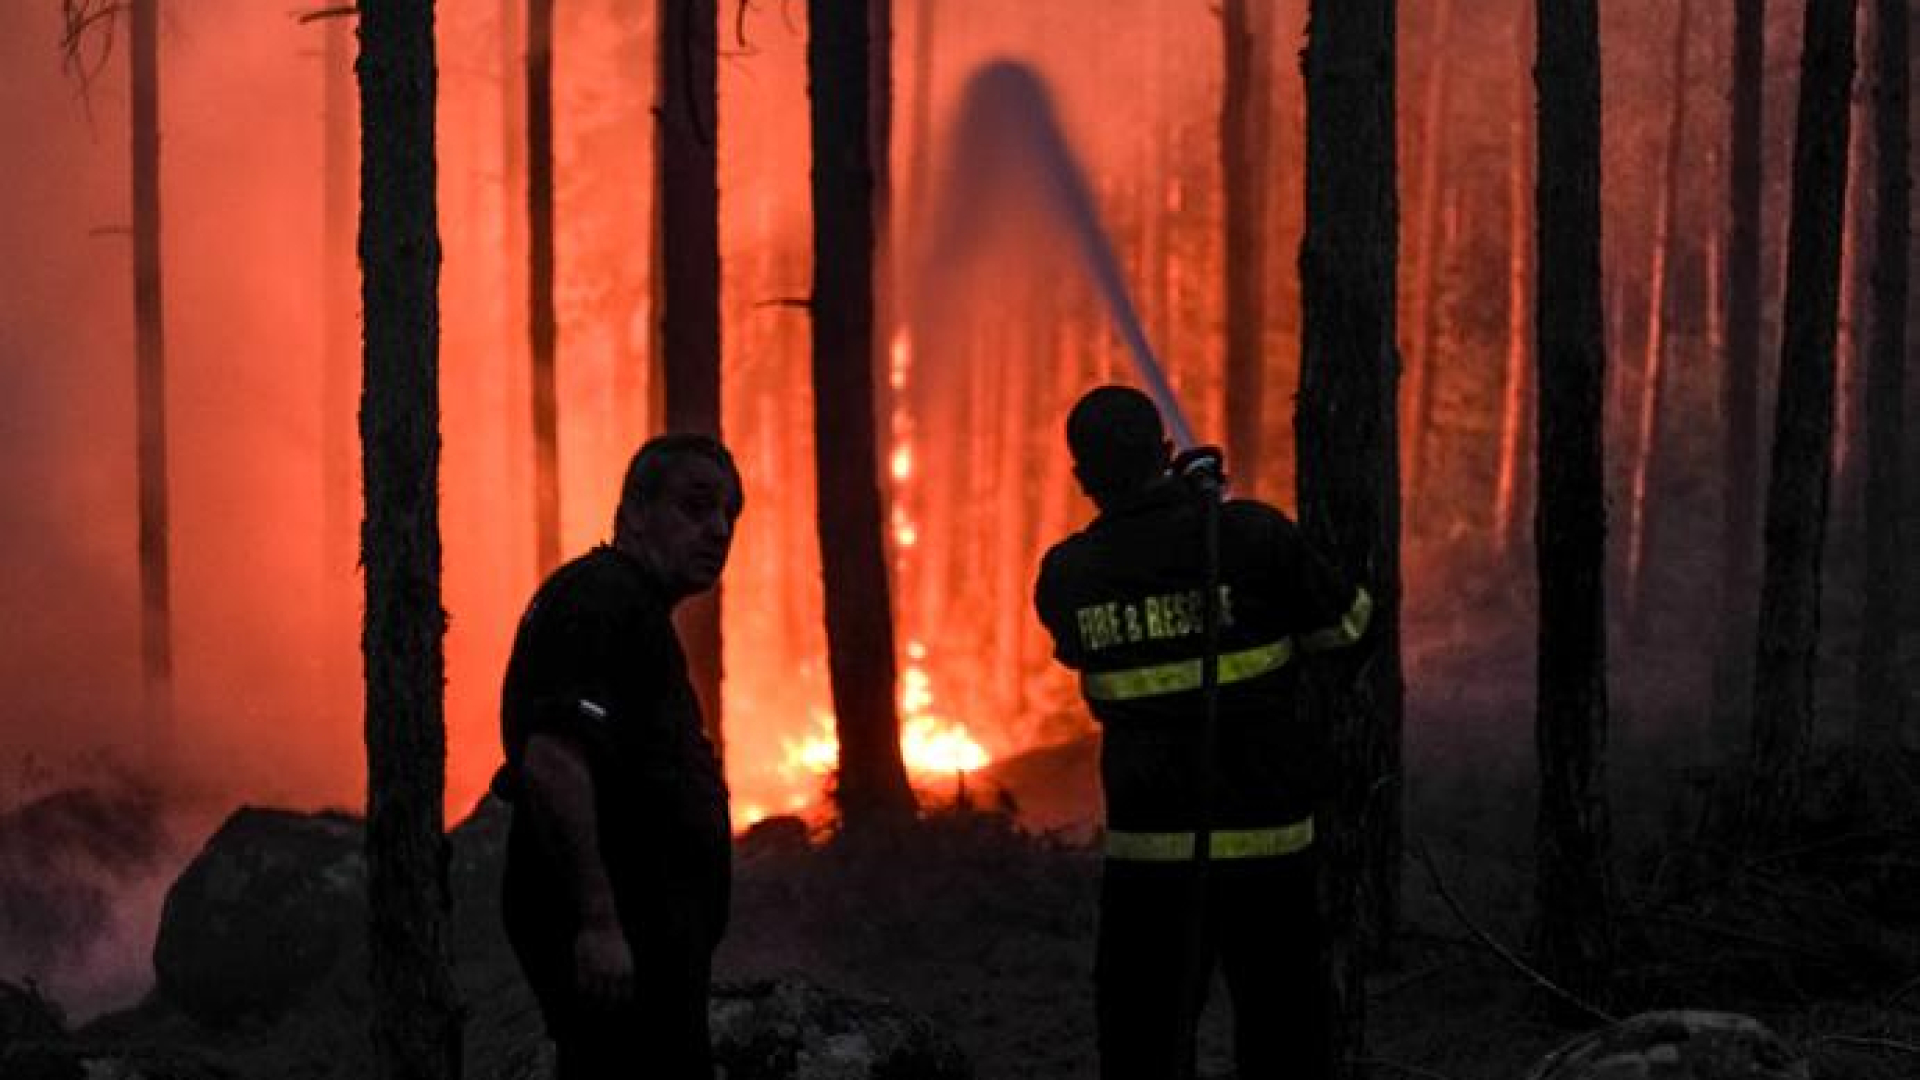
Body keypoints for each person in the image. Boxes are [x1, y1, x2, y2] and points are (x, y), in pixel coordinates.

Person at [1032, 386, 1371, 1080]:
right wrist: (1204, 515)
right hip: (1269, 848)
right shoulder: (1250, 538)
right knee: (1284, 1038)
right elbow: (1351, 627)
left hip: (1148, 860)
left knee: (1142, 1043)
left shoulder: (1069, 575)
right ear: (1164, 453)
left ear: (1083, 478)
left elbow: (1082, 643)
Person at [494, 433, 744, 1080]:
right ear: (634, 512)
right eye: (696, 507)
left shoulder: (633, 611)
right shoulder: (598, 600)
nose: (718, 529)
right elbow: (551, 758)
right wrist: (599, 921)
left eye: (729, 514)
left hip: (649, 949)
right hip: (620, 946)